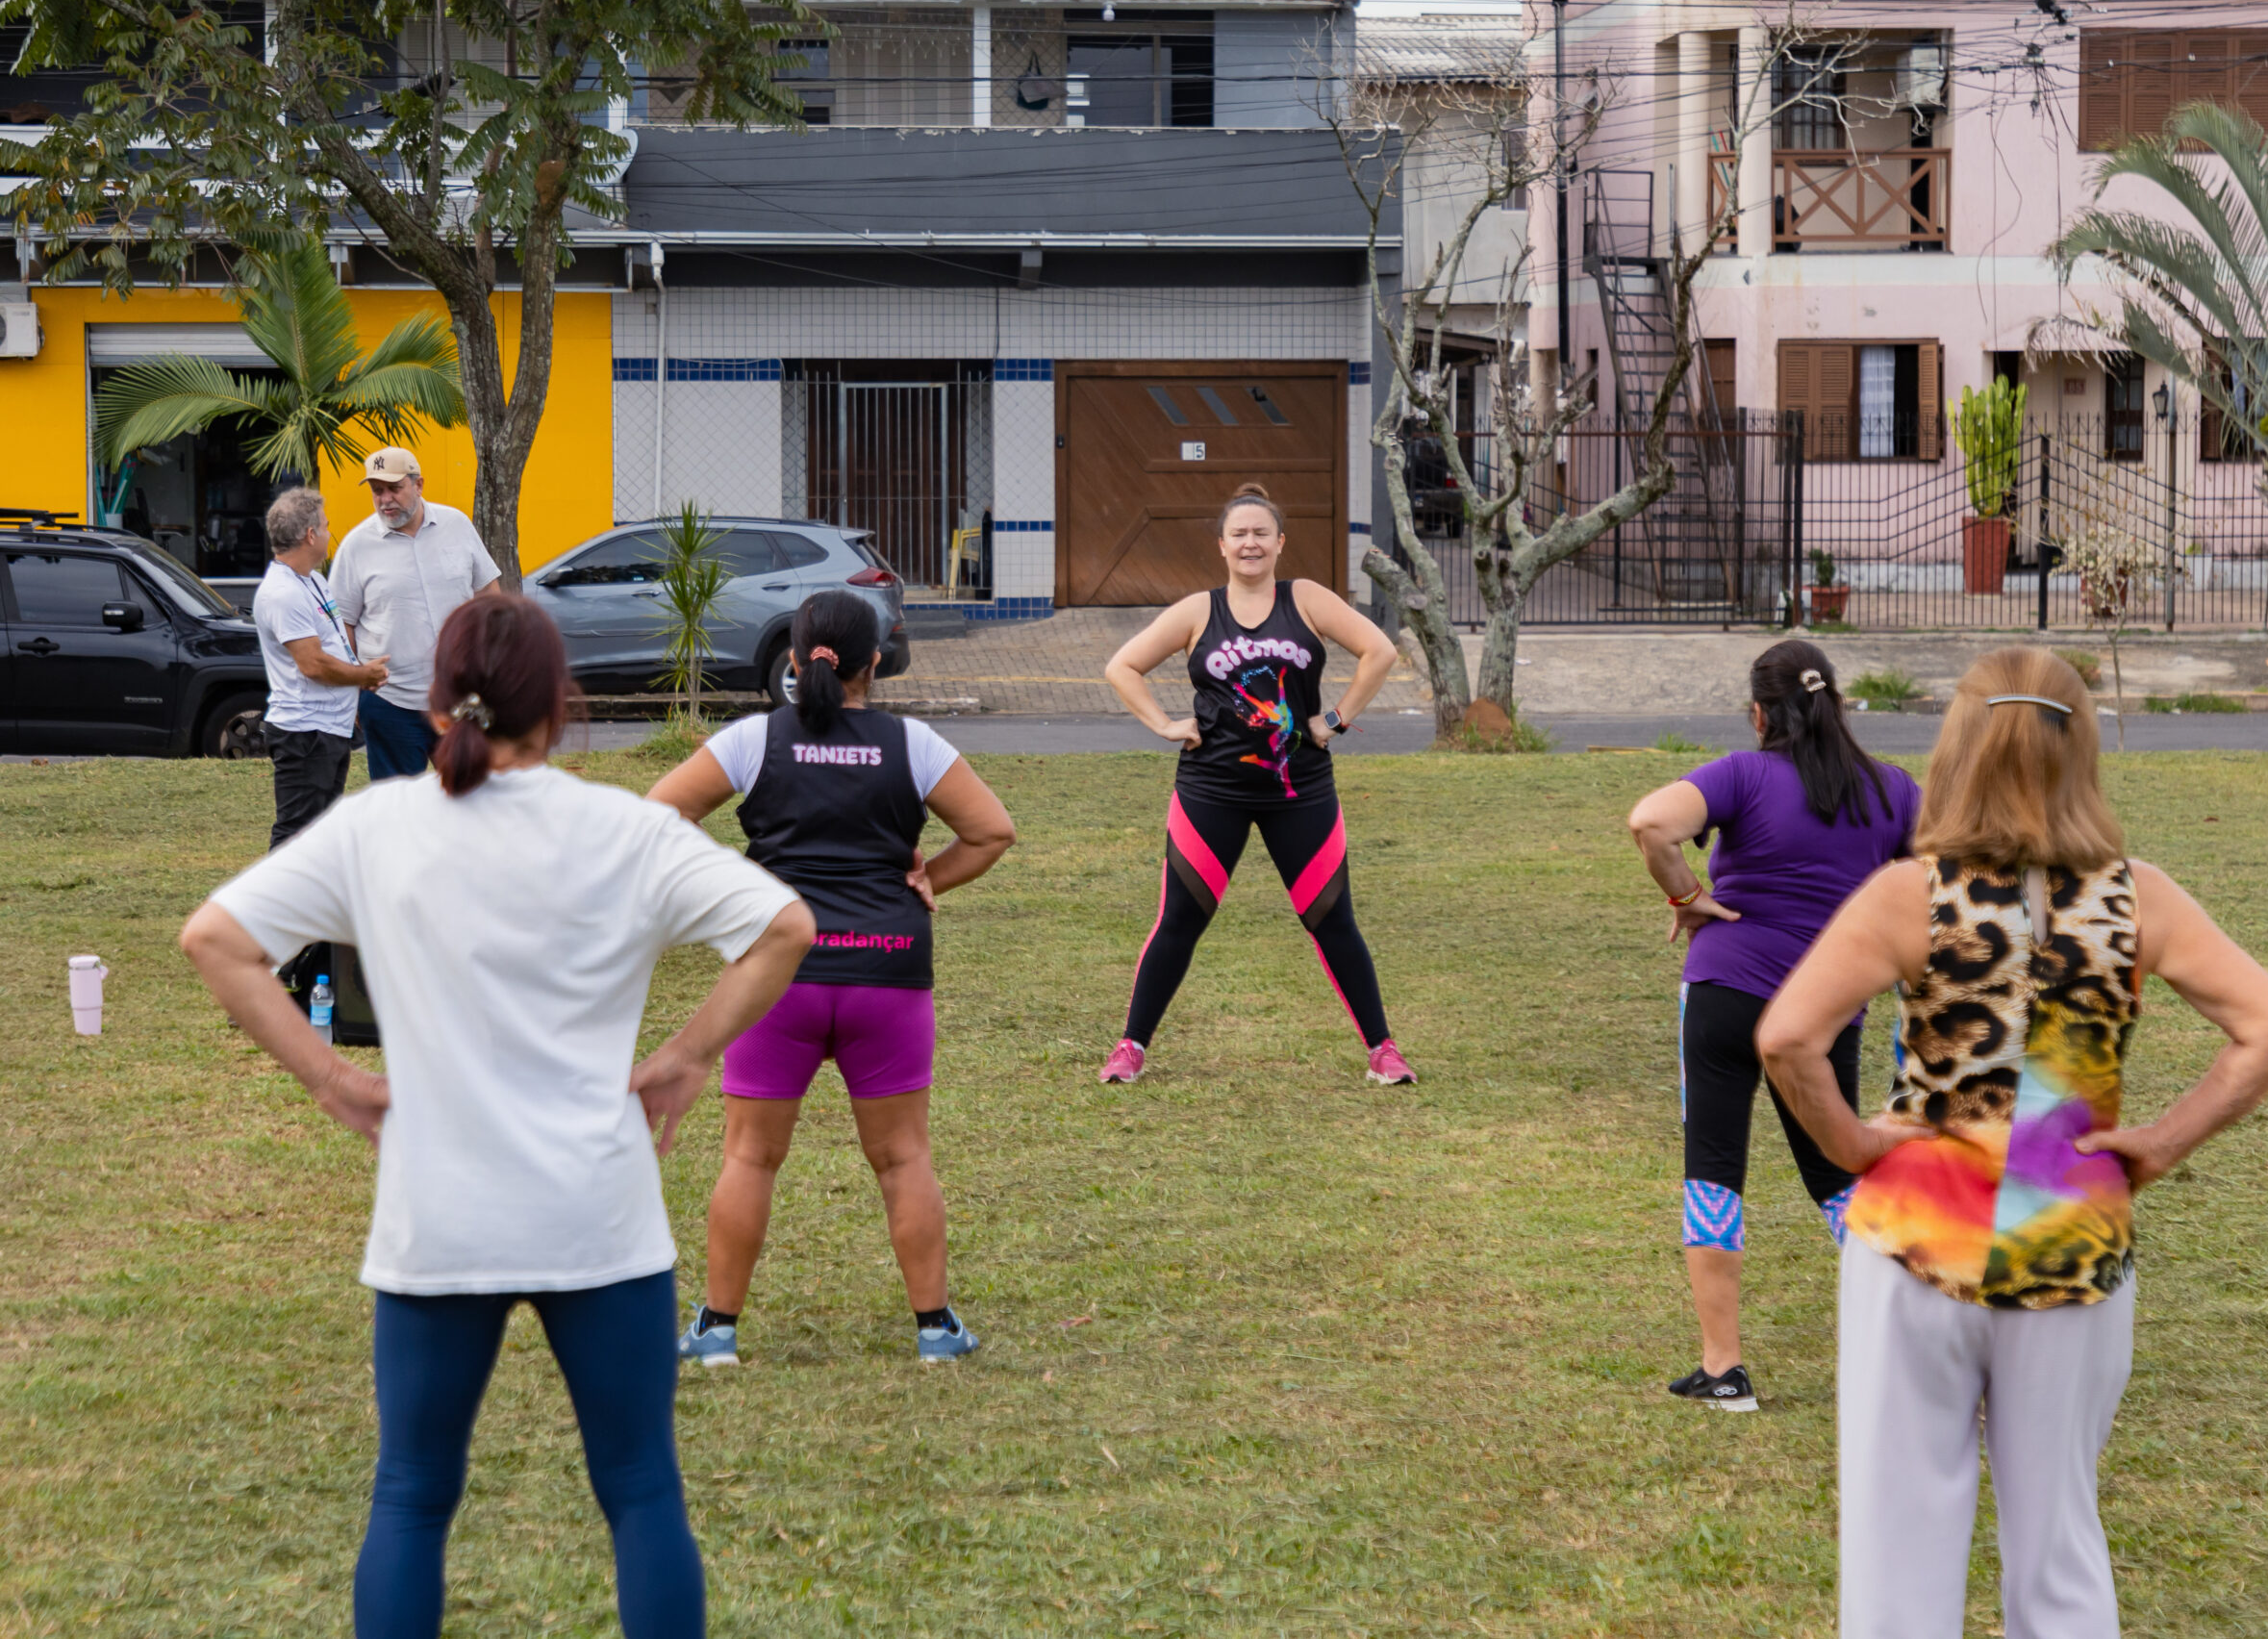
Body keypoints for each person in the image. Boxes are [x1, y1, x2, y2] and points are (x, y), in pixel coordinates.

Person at [179, 595, 815, 1639]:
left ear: (438, 708)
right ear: (558, 711)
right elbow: (784, 924)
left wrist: (330, 1080)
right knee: (642, 1490)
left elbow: (216, 938)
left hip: (440, 1213)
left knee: (412, 1494)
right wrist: (689, 1054)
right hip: (597, 1215)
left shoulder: (381, 827)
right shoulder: (628, 830)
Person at [1755, 645, 2268, 1639]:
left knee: (1897, 1552)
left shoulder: (1908, 894)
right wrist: (2156, 1144)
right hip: (2072, 1235)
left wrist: (1850, 1145)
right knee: (2058, 1543)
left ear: (1957, 747)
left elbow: (1788, 1036)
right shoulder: (2141, 896)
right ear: (2081, 750)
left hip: (1916, 1230)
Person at [649, 591, 1017, 1366]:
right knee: (903, 1157)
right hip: (888, 971)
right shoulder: (912, 743)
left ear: (793, 660)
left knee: (749, 1158)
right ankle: (935, 1331)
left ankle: (717, 1331)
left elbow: (657, 816)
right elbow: (992, 831)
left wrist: (733, 893)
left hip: (774, 979)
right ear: (874, 663)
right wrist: (931, 881)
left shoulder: (755, 739)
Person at [1624, 639, 1919, 1413]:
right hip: (1827, 1003)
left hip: (1727, 988)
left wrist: (1686, 897)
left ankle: (1724, 1370)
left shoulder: (1743, 773)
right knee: (1837, 1176)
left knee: (1713, 1165)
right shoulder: (1894, 791)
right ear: (1838, 706)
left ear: (1759, 713)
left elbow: (1650, 823)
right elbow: (1940, 886)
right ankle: (1931, 1346)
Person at [1096, 482, 1414, 1087]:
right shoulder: (1198, 610)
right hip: (1210, 790)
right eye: (1238, 534)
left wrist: (1336, 719)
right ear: (1221, 545)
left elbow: (1379, 650)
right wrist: (1164, 724)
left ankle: (1383, 1050)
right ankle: (1130, 1046)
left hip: (1301, 790)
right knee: (1179, 920)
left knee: (1332, 918)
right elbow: (1123, 666)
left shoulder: (1308, 600)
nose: (1250, 543)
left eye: (1260, 533)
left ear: (1279, 543)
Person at [331, 446, 502, 779]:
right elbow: (342, 626)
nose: (385, 499)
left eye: (394, 488)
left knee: (472, 799)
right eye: (377, 491)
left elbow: (488, 596)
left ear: (419, 484)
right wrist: (352, 687)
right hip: (390, 703)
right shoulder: (356, 546)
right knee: (401, 813)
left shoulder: (457, 525)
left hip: (460, 698)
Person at [253, 487, 390, 848]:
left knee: (321, 834)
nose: (330, 533)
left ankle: (309, 904)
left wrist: (357, 683)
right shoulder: (282, 593)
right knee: (298, 833)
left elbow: (334, 646)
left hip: (328, 728)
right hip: (304, 733)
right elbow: (312, 664)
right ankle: (276, 904)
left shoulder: (312, 580)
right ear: (310, 534)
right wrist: (364, 676)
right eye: (326, 527)